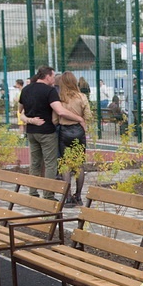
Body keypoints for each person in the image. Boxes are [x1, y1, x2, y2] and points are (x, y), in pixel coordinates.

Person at [18, 66, 84, 200]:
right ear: (47, 76)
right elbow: (60, 111)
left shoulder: (26, 89)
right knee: (50, 163)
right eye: (53, 76)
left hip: (31, 132)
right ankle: (48, 194)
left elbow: (20, 110)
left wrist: (29, 119)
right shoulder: (50, 91)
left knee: (35, 163)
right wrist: (79, 118)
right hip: (47, 131)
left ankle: (33, 192)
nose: (54, 79)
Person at [56, 71, 93, 206]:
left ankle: (68, 196)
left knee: (65, 164)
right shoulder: (82, 97)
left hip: (64, 130)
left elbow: (55, 117)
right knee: (79, 164)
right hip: (78, 130)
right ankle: (78, 195)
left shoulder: (60, 98)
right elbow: (89, 116)